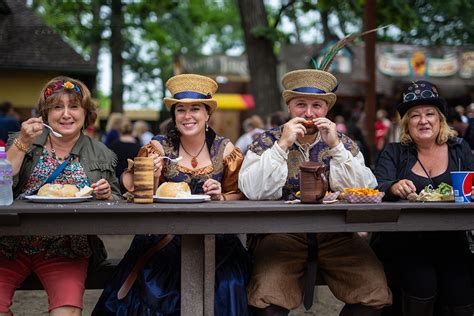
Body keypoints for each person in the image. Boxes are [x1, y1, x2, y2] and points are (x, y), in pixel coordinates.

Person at [93, 74, 251, 316]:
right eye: (180, 110)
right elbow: (136, 194)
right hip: (163, 238)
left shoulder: (226, 150)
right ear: (174, 115)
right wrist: (153, 176)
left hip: (216, 243)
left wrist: (221, 197)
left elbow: (239, 194)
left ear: (208, 113)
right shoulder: (157, 147)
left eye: (195, 109)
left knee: (228, 285)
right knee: (155, 286)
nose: (187, 116)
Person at [239, 68, 392, 316]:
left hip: (338, 234)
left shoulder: (344, 143)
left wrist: (336, 147)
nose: (309, 113)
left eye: (317, 106)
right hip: (281, 234)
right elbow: (252, 190)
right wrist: (283, 145)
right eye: (301, 104)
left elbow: (365, 188)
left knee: (374, 291)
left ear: (326, 110)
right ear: (289, 107)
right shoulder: (265, 142)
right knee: (265, 295)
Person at [2, 76, 121, 316]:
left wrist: (106, 194)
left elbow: (117, 200)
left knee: (66, 312)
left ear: (85, 113)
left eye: (74, 106)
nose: (66, 114)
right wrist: (24, 141)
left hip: (67, 248)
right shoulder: (22, 140)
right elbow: (3, 179)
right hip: (9, 246)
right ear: (45, 115)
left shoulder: (101, 153)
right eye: (57, 107)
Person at [373, 80, 474, 315]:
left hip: (453, 238)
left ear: (440, 120)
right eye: (415, 115)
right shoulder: (394, 152)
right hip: (406, 239)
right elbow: (377, 185)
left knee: (460, 288)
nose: (424, 120)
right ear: (407, 123)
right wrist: (393, 186)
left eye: (430, 114)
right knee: (422, 281)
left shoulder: (459, 150)